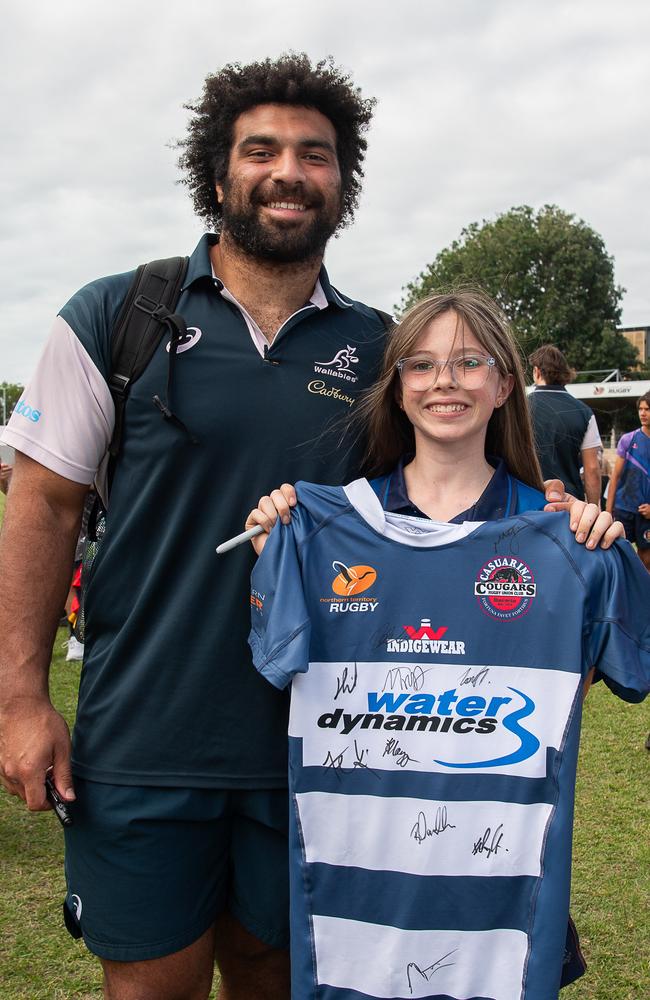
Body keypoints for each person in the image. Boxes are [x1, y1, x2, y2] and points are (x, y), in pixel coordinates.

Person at [0, 55, 616, 999]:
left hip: (325, 752)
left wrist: (553, 515)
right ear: (218, 176)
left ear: (343, 185)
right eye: (262, 150)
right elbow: (40, 504)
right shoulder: (115, 317)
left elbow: (447, 501)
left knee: (281, 981)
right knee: (147, 987)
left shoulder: (381, 349)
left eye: (316, 156)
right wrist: (20, 699)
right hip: (142, 736)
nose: (289, 170)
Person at [245, 291, 649, 1000]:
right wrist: (275, 544)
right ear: (397, 389)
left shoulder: (565, 537)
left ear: (502, 386)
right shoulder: (317, 532)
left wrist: (610, 552)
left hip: (500, 915)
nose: (445, 381)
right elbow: (274, 661)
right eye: (422, 364)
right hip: (352, 919)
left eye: (470, 362)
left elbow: (623, 668)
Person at [528, 344, 602, 505]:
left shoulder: (519, 407)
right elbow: (592, 470)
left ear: (537, 371)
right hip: (570, 505)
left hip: (526, 499)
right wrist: (594, 509)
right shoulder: (585, 412)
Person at [606, 391, 650, 571]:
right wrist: (608, 510)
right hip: (624, 508)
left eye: (647, 409)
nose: (643, 413)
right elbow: (615, 477)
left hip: (646, 512)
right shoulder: (628, 439)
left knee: (646, 559)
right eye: (640, 409)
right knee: (618, 556)